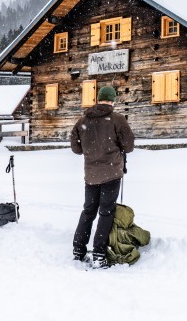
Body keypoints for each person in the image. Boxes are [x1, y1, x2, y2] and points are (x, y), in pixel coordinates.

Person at [70, 85, 134, 268]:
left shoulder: (83, 121)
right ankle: (99, 253)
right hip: (112, 174)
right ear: (112, 100)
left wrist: (90, 149)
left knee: (88, 211)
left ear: (98, 99)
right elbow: (128, 146)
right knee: (106, 212)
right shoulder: (117, 119)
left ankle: (78, 250)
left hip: (91, 175)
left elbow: (76, 148)